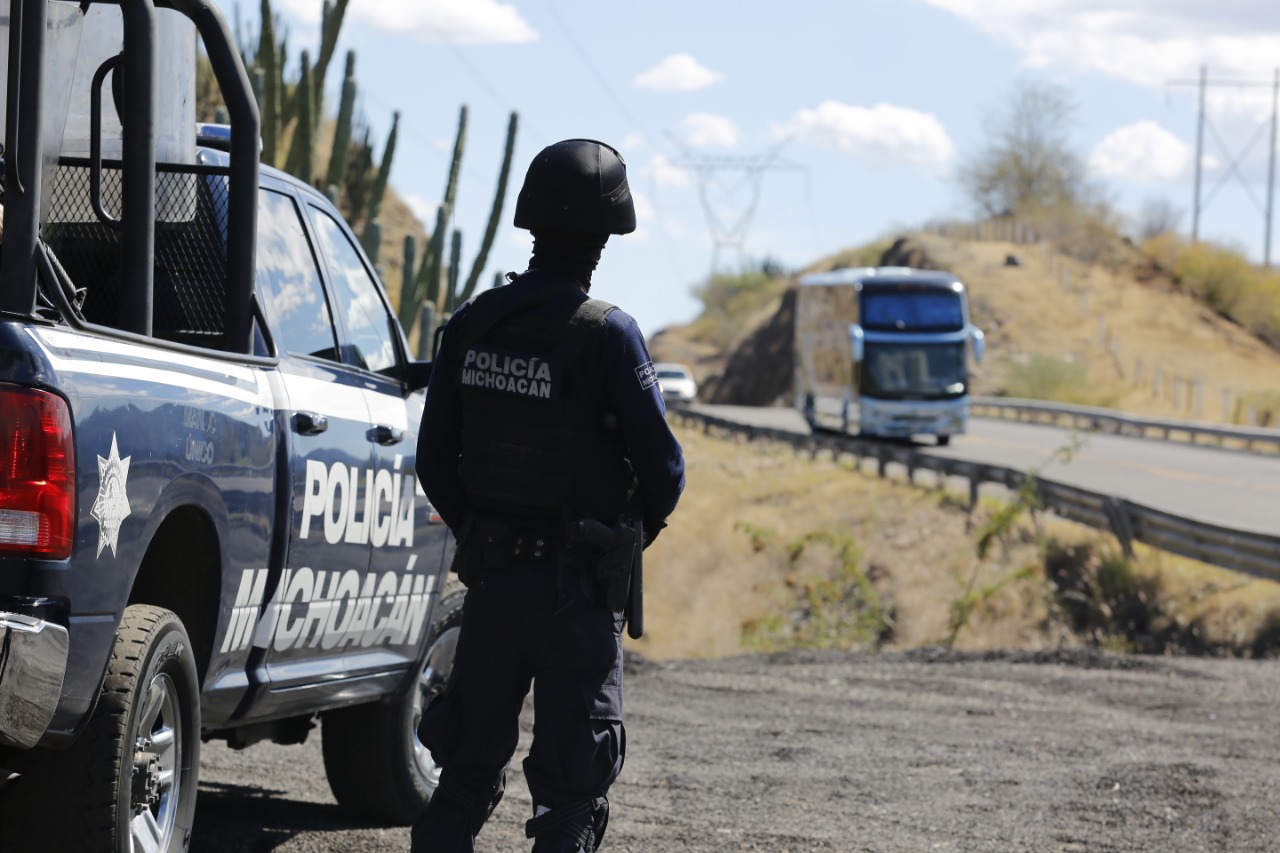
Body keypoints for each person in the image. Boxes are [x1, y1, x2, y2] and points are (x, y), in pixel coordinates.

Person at [411, 138, 686, 853]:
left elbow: (434, 458)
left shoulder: (473, 323)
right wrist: (620, 539)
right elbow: (665, 473)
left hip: (496, 588)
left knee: (463, 777)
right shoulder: (611, 335)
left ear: (532, 222)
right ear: (607, 234)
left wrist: (481, 528)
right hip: (577, 595)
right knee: (570, 802)